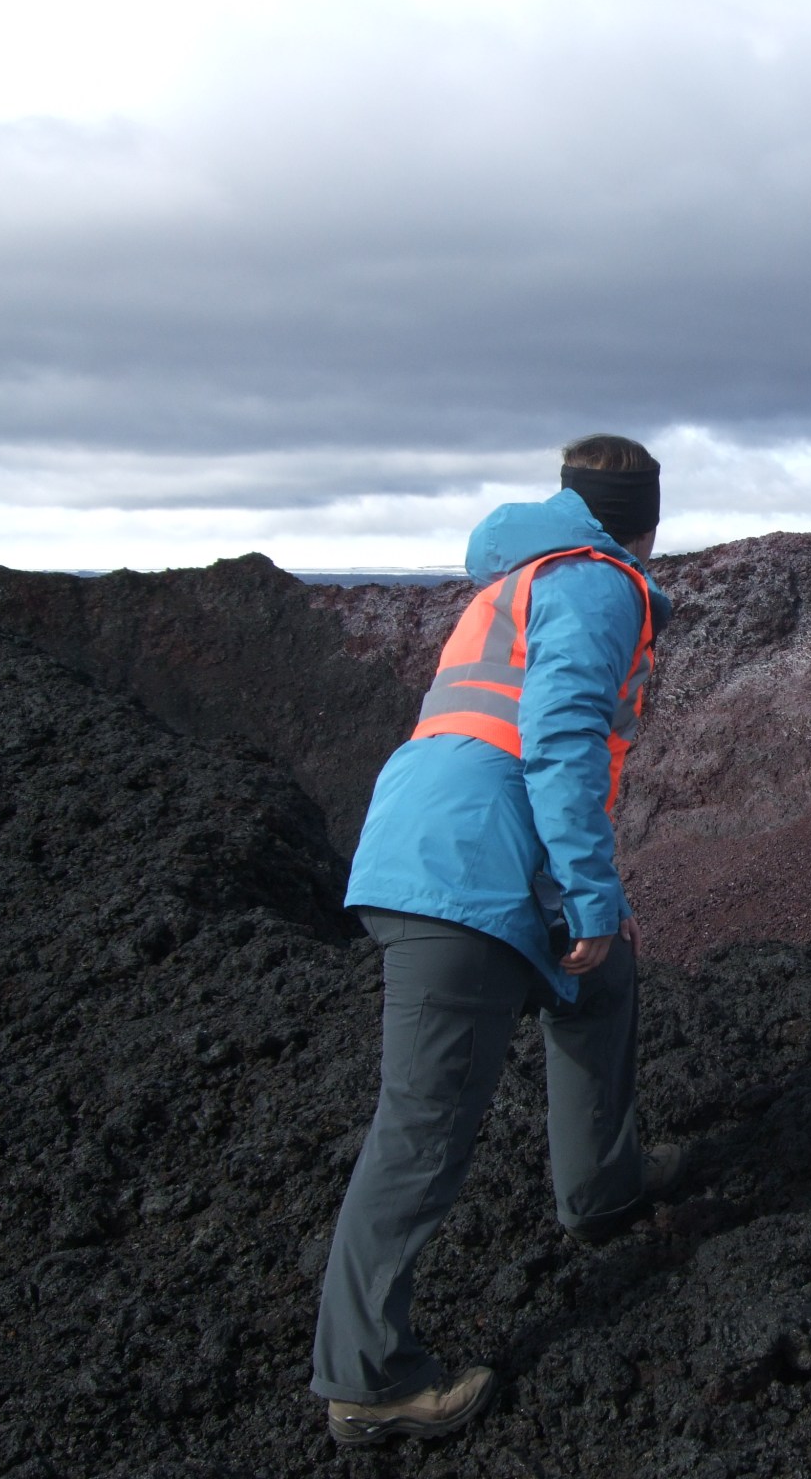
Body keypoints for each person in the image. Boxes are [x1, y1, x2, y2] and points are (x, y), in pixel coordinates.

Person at [310, 435, 681, 1447]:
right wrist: (586, 893)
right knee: (423, 1127)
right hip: (465, 871)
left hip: (427, 839)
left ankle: (600, 1187)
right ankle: (368, 1380)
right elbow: (559, 739)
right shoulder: (601, 582)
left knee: (600, 990)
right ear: (641, 518)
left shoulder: (511, 580)